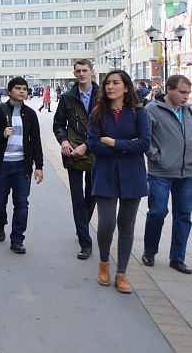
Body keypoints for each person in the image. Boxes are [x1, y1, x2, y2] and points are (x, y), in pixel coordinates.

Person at [88, 70, 151, 294]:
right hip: (105, 174)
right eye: (107, 83)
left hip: (132, 176)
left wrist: (114, 143)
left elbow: (144, 144)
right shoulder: (97, 113)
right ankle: (104, 261)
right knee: (106, 224)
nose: (110, 87)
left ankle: (121, 273)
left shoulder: (138, 113)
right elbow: (94, 145)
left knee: (127, 226)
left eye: (115, 83)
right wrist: (127, 146)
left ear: (126, 88)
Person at [0, 77, 44, 254]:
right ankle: (0, 224)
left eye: (24, 88)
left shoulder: (30, 114)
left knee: (21, 203)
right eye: (18, 88)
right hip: (1, 165)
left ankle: (17, 239)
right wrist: (1, 134)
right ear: (10, 91)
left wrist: (39, 166)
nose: (22, 91)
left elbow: (35, 142)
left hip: (21, 166)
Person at [142, 74, 192, 274]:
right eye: (182, 92)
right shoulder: (152, 110)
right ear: (169, 89)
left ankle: (177, 258)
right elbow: (145, 139)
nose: (185, 97)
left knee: (184, 216)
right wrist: (157, 157)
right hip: (160, 173)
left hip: (187, 173)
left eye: (188, 93)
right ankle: (150, 251)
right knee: (158, 212)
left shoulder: (189, 111)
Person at [53, 59, 101, 260]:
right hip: (72, 152)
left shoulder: (102, 96)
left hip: (95, 151)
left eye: (85, 70)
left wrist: (87, 145)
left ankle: (82, 224)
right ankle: (85, 242)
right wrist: (63, 141)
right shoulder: (67, 98)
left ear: (92, 71)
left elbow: (105, 125)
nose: (81, 74)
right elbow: (58, 123)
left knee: (92, 195)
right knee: (76, 197)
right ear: (74, 73)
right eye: (78, 71)